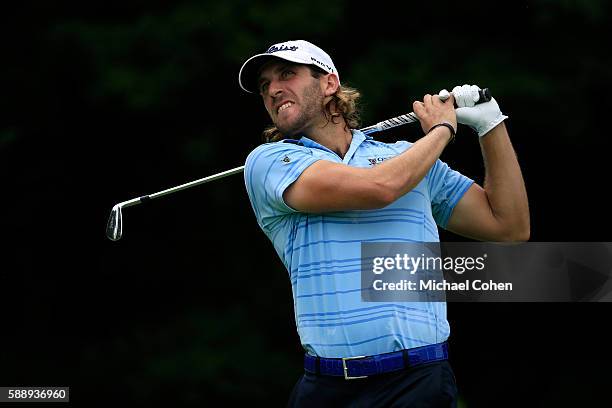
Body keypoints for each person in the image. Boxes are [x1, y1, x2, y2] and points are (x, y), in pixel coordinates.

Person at [239, 40, 529, 407]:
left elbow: (509, 226)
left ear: (329, 83)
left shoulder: (408, 158)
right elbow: (381, 187)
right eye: (265, 86)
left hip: (420, 382)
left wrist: (491, 125)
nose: (273, 90)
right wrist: (442, 130)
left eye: (286, 75)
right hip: (330, 388)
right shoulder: (268, 162)